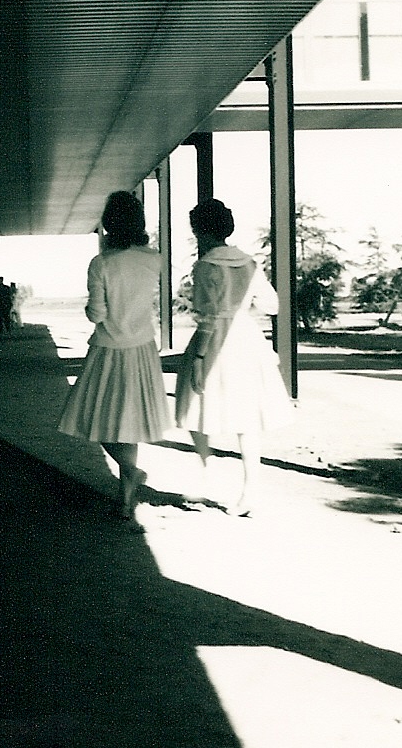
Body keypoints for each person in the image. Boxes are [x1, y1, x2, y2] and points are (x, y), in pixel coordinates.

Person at [58, 191, 172, 524]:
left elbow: (97, 314)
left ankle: (130, 473)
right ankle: (125, 499)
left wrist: (90, 308)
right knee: (129, 424)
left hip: (108, 351)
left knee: (92, 419)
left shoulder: (102, 263)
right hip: (143, 350)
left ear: (109, 223)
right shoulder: (154, 259)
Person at [174, 198, 293, 516]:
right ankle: (250, 490)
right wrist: (242, 304)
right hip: (246, 338)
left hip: (214, 342)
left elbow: (207, 318)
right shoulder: (249, 263)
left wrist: (199, 358)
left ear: (201, 231)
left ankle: (207, 472)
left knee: (194, 403)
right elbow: (272, 305)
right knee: (248, 417)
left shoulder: (205, 265)